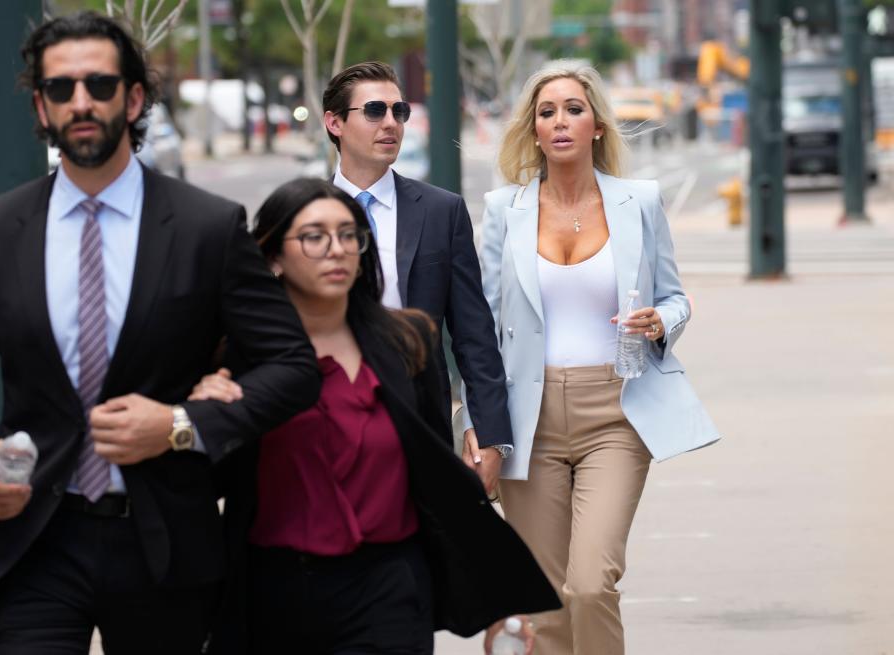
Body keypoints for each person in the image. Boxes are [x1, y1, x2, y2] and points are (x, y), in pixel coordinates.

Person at [0, 12, 320, 654]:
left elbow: (292, 367)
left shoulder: (208, 226)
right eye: (61, 89)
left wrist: (180, 423)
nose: (80, 102)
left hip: (164, 542)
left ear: (134, 97)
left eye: (99, 84)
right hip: (32, 538)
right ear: (41, 105)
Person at [192, 178, 559, 655]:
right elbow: (204, 481)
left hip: (390, 589)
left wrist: (498, 603)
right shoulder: (236, 355)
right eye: (314, 236)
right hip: (275, 593)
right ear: (273, 257)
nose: (337, 249)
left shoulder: (405, 343)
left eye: (349, 235)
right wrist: (201, 413)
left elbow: (437, 478)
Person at [463, 62, 720, 654]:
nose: (560, 122)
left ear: (598, 125)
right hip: (529, 418)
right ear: (532, 128)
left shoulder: (640, 202)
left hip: (617, 412)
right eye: (546, 111)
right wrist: (478, 420)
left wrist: (663, 321)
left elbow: (675, 295)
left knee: (589, 585)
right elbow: (480, 324)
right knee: (544, 599)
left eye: (573, 109)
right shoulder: (506, 209)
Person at [322, 62, 510, 494]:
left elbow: (473, 333)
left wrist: (490, 431)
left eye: (398, 111)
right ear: (334, 122)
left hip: (419, 422)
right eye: (373, 111)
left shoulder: (440, 212)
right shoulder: (303, 213)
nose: (390, 123)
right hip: (324, 421)